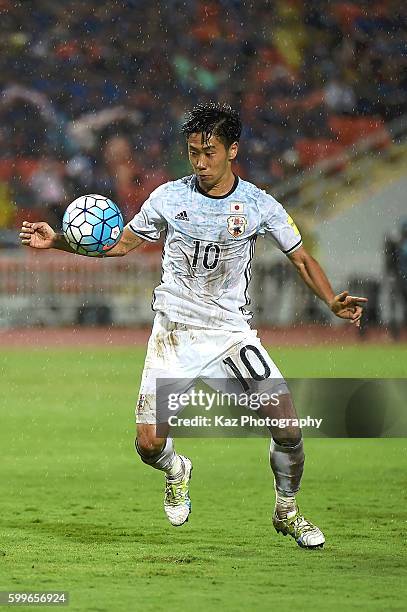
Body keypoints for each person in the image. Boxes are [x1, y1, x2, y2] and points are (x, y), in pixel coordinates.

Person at [20, 102, 367, 549]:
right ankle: (176, 468)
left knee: (289, 429)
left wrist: (331, 300)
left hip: (230, 335)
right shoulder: (168, 197)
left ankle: (288, 511)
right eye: (193, 152)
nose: (200, 162)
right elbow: (121, 244)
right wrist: (61, 243)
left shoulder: (260, 205)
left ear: (232, 150)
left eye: (209, 152)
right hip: (174, 333)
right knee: (147, 446)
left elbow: (300, 257)